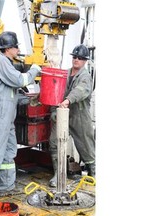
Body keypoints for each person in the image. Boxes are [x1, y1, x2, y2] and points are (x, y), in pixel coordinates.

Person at [0, 31, 41, 199]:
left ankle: (5, 186)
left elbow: (12, 94)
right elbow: (20, 81)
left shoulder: (6, 63)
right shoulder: (0, 61)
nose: (18, 49)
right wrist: (34, 69)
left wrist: (31, 99)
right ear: (8, 48)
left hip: (7, 117)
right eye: (16, 46)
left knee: (9, 150)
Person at [48, 44, 96, 187]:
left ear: (85, 61)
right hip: (62, 114)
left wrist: (68, 100)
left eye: (80, 58)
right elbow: (55, 90)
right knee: (54, 143)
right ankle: (58, 175)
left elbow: (81, 90)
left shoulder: (85, 77)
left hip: (79, 116)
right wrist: (51, 108)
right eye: (74, 57)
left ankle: (93, 173)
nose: (76, 59)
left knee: (86, 146)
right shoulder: (66, 73)